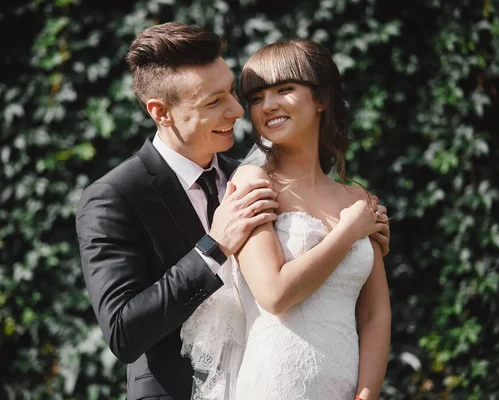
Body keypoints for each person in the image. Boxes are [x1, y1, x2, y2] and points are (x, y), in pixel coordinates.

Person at [76, 23, 390, 400]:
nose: (238, 110)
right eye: (214, 102)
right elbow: (123, 332)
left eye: (230, 92)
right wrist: (212, 247)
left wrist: (360, 234)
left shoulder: (248, 173)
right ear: (161, 112)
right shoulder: (115, 196)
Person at [182, 39, 391, 400]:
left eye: (284, 89)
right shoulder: (252, 182)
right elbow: (274, 294)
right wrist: (346, 233)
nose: (268, 105)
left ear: (321, 99)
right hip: (275, 385)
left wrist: (367, 393)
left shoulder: (356, 199)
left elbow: (375, 311)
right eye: (257, 97)